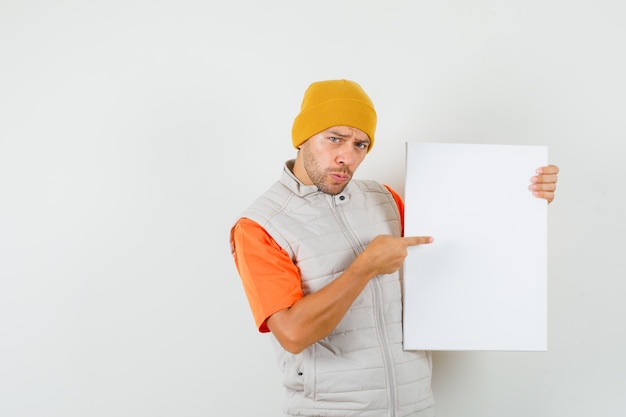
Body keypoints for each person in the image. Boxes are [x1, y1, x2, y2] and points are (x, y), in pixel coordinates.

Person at [229, 79, 559, 417]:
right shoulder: (261, 226)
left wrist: (526, 200)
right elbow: (293, 335)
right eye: (335, 139)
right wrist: (364, 267)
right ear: (302, 138)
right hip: (331, 411)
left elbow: (462, 241)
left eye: (361, 144)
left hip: (415, 404)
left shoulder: (384, 199)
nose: (347, 157)